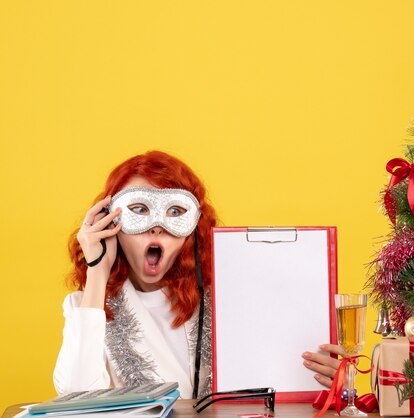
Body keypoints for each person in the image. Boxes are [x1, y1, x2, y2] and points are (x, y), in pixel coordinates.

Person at [54, 150, 340, 399]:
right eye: (139, 209)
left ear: (194, 226)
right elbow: (76, 398)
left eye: (175, 211)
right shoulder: (85, 307)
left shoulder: (228, 303)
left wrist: (321, 381)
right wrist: (97, 272)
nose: (156, 227)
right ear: (109, 221)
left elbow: (267, 386)